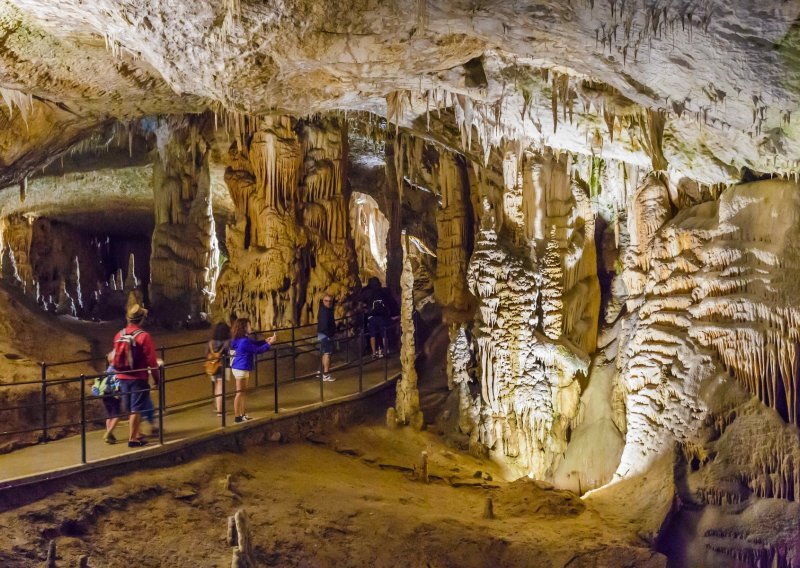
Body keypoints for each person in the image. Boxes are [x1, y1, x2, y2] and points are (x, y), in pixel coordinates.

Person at [113, 304, 160, 448]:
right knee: (136, 409)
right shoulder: (144, 337)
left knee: (130, 408)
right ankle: (133, 439)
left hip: (122, 376)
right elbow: (151, 361)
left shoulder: (119, 335)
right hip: (138, 377)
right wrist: (157, 378)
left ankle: (137, 434)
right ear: (142, 320)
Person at [229, 318, 276, 423]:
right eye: (249, 325)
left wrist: (265, 341)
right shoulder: (244, 341)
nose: (251, 327)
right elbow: (256, 350)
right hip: (241, 367)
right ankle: (237, 417)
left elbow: (254, 343)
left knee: (242, 392)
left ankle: (242, 414)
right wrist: (269, 344)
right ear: (244, 327)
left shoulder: (240, 339)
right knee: (240, 393)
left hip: (239, 366)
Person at [361, 277, 398, 358]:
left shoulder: (367, 292)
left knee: (372, 335)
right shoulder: (383, 291)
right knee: (384, 334)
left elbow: (362, 302)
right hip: (382, 316)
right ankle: (385, 351)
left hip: (372, 317)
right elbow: (389, 302)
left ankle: (374, 353)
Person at [94, 352, 122, 444]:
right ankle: (108, 433)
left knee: (109, 415)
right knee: (116, 415)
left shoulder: (108, 369)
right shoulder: (116, 370)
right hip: (113, 394)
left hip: (105, 394)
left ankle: (110, 433)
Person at [207, 321, 231, 416]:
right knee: (220, 387)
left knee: (216, 386)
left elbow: (206, 354)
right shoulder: (227, 342)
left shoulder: (211, 343)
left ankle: (217, 406)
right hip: (223, 366)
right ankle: (220, 411)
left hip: (213, 366)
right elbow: (230, 354)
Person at [317, 294, 336, 382]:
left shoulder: (324, 309)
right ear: (323, 301)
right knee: (327, 354)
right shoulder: (325, 311)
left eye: (330, 301)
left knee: (324, 353)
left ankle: (321, 371)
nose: (328, 302)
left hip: (322, 334)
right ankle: (326, 374)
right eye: (326, 301)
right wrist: (328, 335)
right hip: (325, 334)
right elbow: (325, 324)